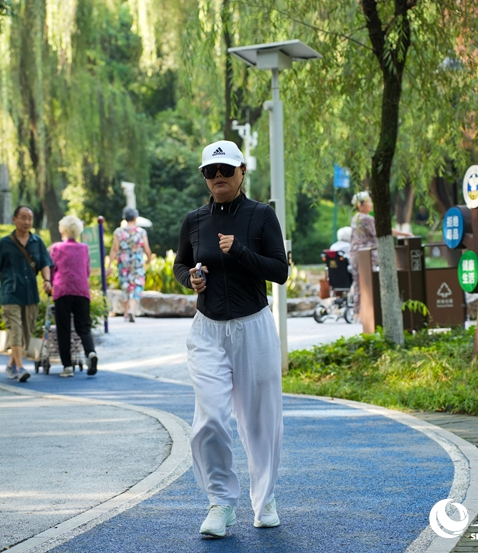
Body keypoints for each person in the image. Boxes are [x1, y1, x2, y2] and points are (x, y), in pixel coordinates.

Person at [173, 140, 288, 538]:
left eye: (225, 170)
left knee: (261, 420)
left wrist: (239, 251)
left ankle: (265, 499)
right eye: (210, 172)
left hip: (253, 326)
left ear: (242, 172)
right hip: (207, 330)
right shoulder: (195, 220)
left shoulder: (261, 215)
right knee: (209, 420)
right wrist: (192, 279)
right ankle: (220, 502)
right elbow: (181, 263)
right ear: (204, 176)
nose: (218, 177)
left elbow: (280, 270)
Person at [0, 206, 53, 381]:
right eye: (23, 217)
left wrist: (47, 280)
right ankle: (20, 367)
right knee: (15, 329)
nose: (27, 222)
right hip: (10, 293)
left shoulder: (37, 242)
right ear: (14, 219)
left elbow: (45, 263)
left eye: (30, 218)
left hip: (30, 294)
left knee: (27, 332)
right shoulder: (4, 243)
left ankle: (11, 365)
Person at [49, 215, 98, 378]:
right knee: (83, 326)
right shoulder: (84, 248)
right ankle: (90, 352)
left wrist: (49, 285)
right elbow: (87, 271)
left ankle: (67, 366)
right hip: (82, 291)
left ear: (62, 230)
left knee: (63, 329)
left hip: (62, 291)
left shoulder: (57, 248)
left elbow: (51, 270)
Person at [349, 191, 412, 314]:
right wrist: (405, 234)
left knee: (358, 282)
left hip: (355, 254)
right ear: (360, 205)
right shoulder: (366, 218)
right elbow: (382, 231)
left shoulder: (355, 218)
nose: (371, 204)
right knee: (370, 282)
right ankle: (371, 310)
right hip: (367, 256)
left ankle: (358, 311)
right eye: (368, 201)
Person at [108, 207, 151, 322]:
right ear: (135, 218)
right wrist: (149, 259)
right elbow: (146, 248)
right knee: (136, 285)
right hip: (137, 263)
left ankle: (126, 313)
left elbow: (115, 249)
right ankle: (132, 310)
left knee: (125, 286)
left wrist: (109, 265)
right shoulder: (141, 231)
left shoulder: (118, 231)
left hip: (123, 263)